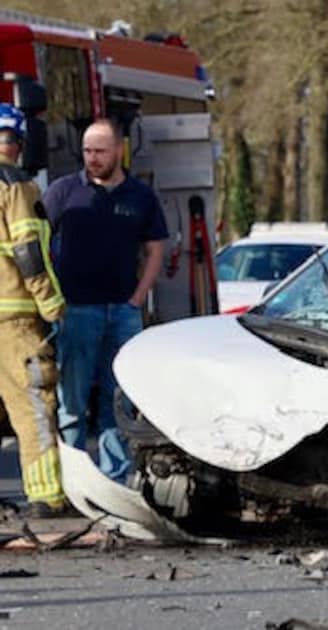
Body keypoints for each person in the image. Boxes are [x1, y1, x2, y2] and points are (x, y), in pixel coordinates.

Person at [41, 119, 167, 481]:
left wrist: (138, 297)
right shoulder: (63, 192)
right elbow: (36, 239)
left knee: (118, 401)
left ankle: (114, 477)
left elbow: (155, 248)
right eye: (87, 151)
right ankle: (75, 476)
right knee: (72, 401)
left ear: (119, 151)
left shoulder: (140, 197)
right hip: (75, 311)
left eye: (100, 151)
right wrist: (51, 294)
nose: (92, 158)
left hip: (123, 313)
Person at [0, 104, 70, 516]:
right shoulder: (16, 185)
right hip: (14, 321)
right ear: (19, 143)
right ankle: (47, 496)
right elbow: (28, 250)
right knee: (33, 408)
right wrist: (52, 304)